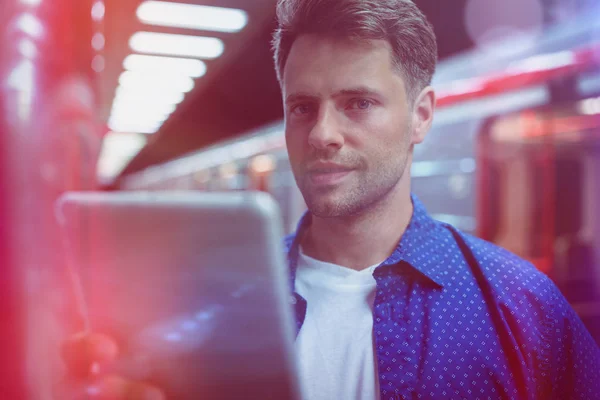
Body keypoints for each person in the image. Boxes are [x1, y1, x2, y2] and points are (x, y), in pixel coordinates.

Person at [63, 0, 600, 399]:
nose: (322, 134)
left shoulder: (525, 308)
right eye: (302, 107)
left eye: (358, 103)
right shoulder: (208, 310)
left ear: (422, 116)